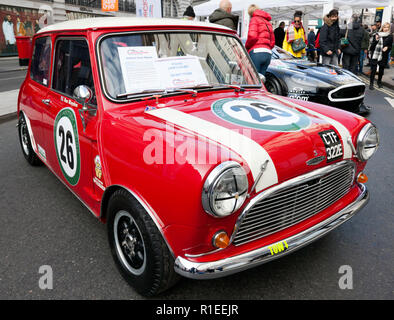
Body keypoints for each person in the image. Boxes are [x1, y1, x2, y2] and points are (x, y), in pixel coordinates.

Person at [245, 4, 275, 76]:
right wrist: (266, 47)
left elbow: (252, 36)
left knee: (253, 79)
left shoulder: (254, 19)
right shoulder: (268, 22)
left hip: (256, 53)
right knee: (261, 80)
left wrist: (247, 47)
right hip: (268, 53)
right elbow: (273, 41)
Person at [369, 22, 393, 89]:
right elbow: (371, 47)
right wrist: (376, 40)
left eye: (387, 27)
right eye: (385, 27)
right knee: (373, 70)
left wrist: (387, 48)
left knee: (381, 70)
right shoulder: (376, 35)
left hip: (383, 55)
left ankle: (379, 82)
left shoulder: (390, 36)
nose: (386, 29)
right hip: (375, 54)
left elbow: (390, 46)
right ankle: (371, 83)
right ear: (382, 27)